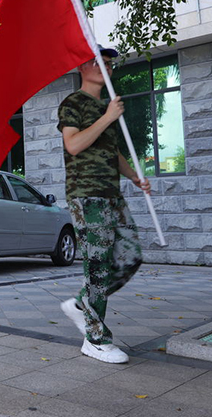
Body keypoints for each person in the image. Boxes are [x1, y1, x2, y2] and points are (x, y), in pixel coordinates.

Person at [58, 47, 150, 364]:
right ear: (83, 66)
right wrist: (107, 116)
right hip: (87, 194)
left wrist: (135, 177)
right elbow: (73, 144)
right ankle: (95, 339)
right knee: (98, 265)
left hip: (112, 193)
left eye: (110, 63)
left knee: (130, 256)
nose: (107, 67)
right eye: (100, 61)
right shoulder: (73, 103)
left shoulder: (105, 105)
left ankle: (82, 304)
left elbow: (113, 152)